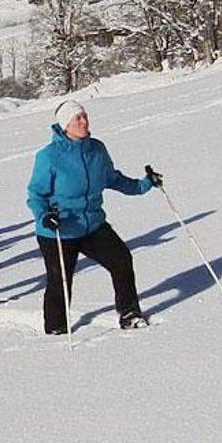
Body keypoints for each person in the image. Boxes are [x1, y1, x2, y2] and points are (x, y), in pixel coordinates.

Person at [27, 99, 158, 332]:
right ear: (65, 125)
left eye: (85, 116)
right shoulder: (49, 156)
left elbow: (113, 179)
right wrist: (44, 215)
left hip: (92, 225)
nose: (84, 122)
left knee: (121, 259)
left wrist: (145, 184)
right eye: (77, 118)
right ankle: (56, 328)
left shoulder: (96, 149)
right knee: (60, 280)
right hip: (59, 228)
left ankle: (129, 313)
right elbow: (36, 194)